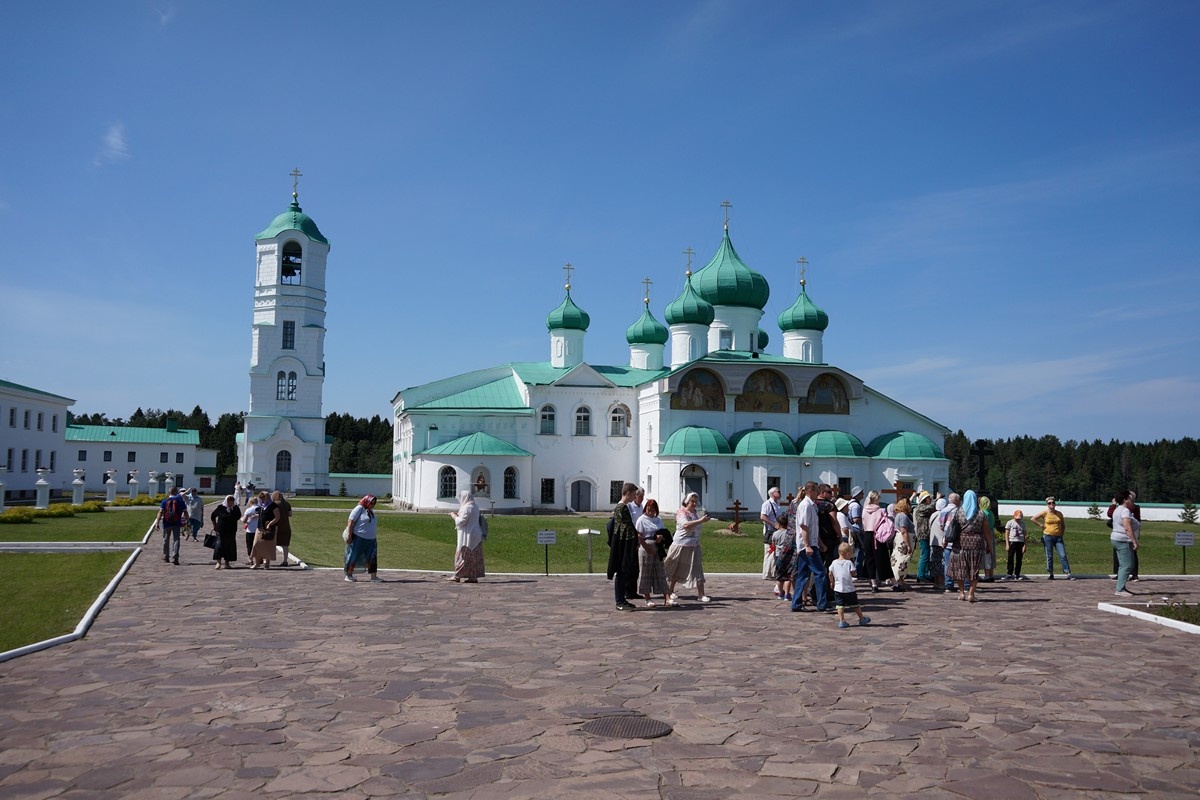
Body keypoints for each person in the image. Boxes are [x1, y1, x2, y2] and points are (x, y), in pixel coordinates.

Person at [663, 491, 712, 603]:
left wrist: (701, 521)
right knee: (674, 567)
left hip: (693, 545)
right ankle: (669, 591)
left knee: (697, 568)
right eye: (692, 501)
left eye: (695, 501)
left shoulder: (694, 513)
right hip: (680, 544)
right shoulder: (681, 512)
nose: (694, 504)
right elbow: (685, 525)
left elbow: (696, 527)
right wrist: (701, 520)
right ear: (686, 501)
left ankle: (701, 594)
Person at [790, 482, 829, 613]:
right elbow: (804, 527)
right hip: (807, 546)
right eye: (816, 490)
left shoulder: (812, 506)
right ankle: (822, 603)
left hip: (812, 543)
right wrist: (807, 545)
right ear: (810, 491)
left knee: (803, 574)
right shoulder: (805, 506)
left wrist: (820, 543)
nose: (818, 493)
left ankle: (796, 603)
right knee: (820, 573)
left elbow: (813, 529)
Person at [948, 490, 993, 603]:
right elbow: (987, 531)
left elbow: (953, 526)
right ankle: (971, 594)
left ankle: (962, 592)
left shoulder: (959, 512)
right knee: (974, 569)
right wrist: (989, 545)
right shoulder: (981, 514)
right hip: (976, 543)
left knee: (960, 568)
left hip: (960, 543)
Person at [606, 483, 640, 611]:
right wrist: (634, 541)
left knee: (625, 571)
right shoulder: (622, 508)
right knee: (621, 571)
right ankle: (619, 601)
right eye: (633, 494)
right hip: (623, 545)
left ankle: (623, 599)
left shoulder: (624, 508)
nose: (634, 497)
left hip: (625, 544)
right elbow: (626, 529)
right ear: (628, 493)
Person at [634, 498, 671, 607]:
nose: (650, 512)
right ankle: (647, 597)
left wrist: (661, 537)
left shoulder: (658, 519)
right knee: (645, 572)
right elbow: (639, 535)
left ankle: (666, 597)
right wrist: (646, 547)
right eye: (648, 510)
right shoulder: (641, 520)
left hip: (657, 546)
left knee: (660, 572)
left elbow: (663, 531)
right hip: (646, 546)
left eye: (653, 510)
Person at [829, 542, 870, 628]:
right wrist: (854, 573)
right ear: (847, 553)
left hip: (838, 588)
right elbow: (853, 573)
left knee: (839, 605)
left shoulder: (834, 562)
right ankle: (861, 618)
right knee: (855, 604)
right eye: (851, 553)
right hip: (849, 589)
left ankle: (841, 621)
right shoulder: (849, 563)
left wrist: (832, 582)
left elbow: (830, 573)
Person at [448, 489, 485, 583]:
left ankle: (457, 575)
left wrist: (454, 516)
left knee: (463, 555)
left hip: (468, 535)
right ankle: (473, 576)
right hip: (476, 534)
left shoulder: (466, 508)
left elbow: (461, 521)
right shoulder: (474, 506)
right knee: (473, 557)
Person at [1032, 496, 1073, 579]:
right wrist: (1041, 525)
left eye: (1053, 503)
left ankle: (1067, 572)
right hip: (1048, 536)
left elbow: (1063, 524)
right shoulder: (1045, 513)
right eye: (1049, 503)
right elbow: (1033, 518)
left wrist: (1061, 533)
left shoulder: (1059, 514)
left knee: (1063, 555)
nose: (1051, 504)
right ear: (1047, 504)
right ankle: (1051, 573)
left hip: (1058, 538)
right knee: (1049, 555)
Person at [344, 494, 381, 582]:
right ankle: (348, 575)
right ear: (366, 501)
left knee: (372, 557)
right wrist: (349, 535)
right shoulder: (359, 509)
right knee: (353, 555)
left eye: (374, 503)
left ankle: (373, 577)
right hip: (359, 538)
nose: (372, 504)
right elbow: (350, 522)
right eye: (371, 502)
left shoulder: (371, 511)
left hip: (371, 539)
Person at [1112, 490, 1140, 597]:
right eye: (1129, 498)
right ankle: (1119, 589)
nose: (1131, 500)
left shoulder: (1117, 510)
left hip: (1115, 538)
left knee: (1123, 565)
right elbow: (1127, 527)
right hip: (1123, 540)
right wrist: (1134, 541)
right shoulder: (1125, 511)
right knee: (1127, 565)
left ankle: (1122, 587)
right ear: (1125, 499)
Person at [861, 491, 890, 590]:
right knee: (883, 558)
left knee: (869, 560)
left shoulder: (864, 510)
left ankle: (873, 583)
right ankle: (892, 581)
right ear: (875, 498)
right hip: (877, 535)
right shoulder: (881, 510)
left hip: (867, 535)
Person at [156, 486, 187, 565]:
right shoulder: (180, 501)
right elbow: (185, 512)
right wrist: (188, 521)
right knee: (176, 539)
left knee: (166, 539)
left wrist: (157, 522)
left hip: (166, 523)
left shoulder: (164, 501)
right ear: (176, 492)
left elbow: (160, 512)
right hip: (177, 522)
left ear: (169, 492)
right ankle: (175, 556)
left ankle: (166, 556)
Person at [760, 486, 783, 590]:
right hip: (770, 531)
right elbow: (763, 516)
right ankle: (767, 573)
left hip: (776, 531)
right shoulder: (767, 504)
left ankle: (772, 572)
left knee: (774, 552)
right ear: (773, 493)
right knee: (770, 551)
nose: (780, 492)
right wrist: (773, 524)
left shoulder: (777, 504)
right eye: (778, 491)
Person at [209, 494, 241, 569]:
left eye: (232, 501)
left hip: (231, 530)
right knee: (219, 545)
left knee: (229, 546)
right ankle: (218, 562)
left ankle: (227, 563)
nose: (230, 502)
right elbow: (213, 516)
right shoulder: (221, 507)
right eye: (229, 501)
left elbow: (238, 516)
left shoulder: (235, 508)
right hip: (221, 530)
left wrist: (231, 513)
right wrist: (215, 525)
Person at [262, 491, 293, 566]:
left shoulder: (275, 504)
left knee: (271, 543)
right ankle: (285, 561)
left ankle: (267, 560)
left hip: (277, 526)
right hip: (286, 526)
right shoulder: (287, 503)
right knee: (285, 545)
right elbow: (290, 514)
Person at [890, 497, 914, 591]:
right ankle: (898, 581)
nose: (910, 507)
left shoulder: (899, 515)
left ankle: (900, 580)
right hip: (903, 541)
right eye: (909, 505)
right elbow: (904, 531)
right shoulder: (903, 516)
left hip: (901, 539)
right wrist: (908, 545)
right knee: (901, 560)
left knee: (900, 560)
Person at [249, 491, 276, 569]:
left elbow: (277, 517)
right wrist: (256, 516)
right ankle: (257, 563)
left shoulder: (273, 506)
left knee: (267, 546)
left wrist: (270, 524)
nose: (262, 500)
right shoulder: (261, 506)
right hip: (259, 528)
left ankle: (267, 564)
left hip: (269, 529)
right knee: (256, 545)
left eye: (264, 498)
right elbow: (262, 514)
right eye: (261, 498)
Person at [913, 491, 935, 582]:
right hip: (923, 534)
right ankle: (921, 574)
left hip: (926, 533)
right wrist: (936, 499)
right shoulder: (920, 508)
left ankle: (925, 573)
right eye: (929, 498)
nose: (930, 499)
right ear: (925, 500)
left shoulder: (923, 507)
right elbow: (930, 507)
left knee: (927, 554)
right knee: (925, 555)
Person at [929, 497, 947, 591]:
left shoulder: (933, 514)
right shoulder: (943, 514)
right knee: (941, 563)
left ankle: (936, 582)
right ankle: (941, 583)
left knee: (934, 562)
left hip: (933, 541)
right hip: (941, 542)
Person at [847, 486, 866, 577]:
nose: (863, 495)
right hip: (857, 530)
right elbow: (855, 519)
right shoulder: (855, 505)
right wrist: (866, 519)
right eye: (861, 493)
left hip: (855, 529)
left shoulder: (852, 504)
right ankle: (858, 571)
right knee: (860, 551)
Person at [1004, 510, 1028, 580]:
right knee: (1010, 558)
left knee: (1019, 559)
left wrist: (1025, 545)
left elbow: (1025, 534)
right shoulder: (1010, 523)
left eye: (1019, 518)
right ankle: (1009, 573)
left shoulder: (1023, 524)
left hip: (1020, 542)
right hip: (1012, 541)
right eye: (1017, 518)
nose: (1018, 520)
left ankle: (1017, 573)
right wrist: (1007, 544)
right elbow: (1007, 533)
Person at [979, 496, 998, 582]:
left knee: (983, 554)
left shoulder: (982, 513)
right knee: (989, 554)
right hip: (991, 533)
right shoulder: (991, 513)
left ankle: (985, 575)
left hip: (983, 534)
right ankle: (990, 574)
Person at [242, 493, 263, 565]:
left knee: (250, 545)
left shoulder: (249, 510)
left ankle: (250, 559)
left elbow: (244, 520)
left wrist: (243, 520)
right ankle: (260, 558)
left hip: (250, 530)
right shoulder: (261, 509)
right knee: (259, 545)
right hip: (259, 530)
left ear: (250, 502)